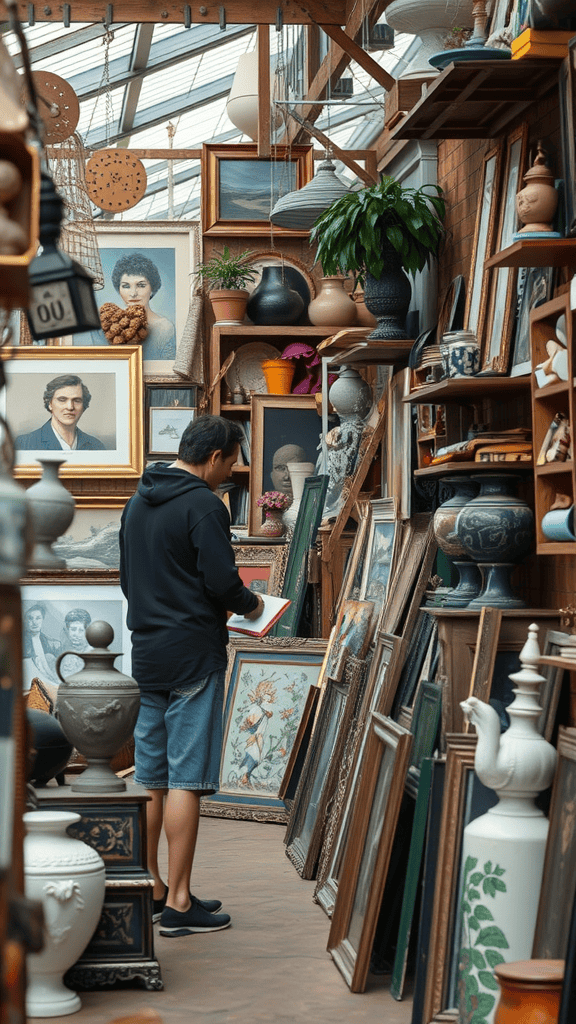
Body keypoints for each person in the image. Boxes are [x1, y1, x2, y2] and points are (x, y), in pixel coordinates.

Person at [119, 414, 264, 937]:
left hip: (147, 654)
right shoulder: (204, 504)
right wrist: (251, 606)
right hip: (193, 657)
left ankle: (154, 889)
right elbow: (223, 581)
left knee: (150, 776)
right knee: (186, 780)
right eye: (231, 460)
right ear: (213, 457)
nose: (232, 470)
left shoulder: (137, 501)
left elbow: (127, 580)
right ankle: (180, 904)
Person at [111, 252, 176, 361]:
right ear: (119, 290)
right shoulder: (111, 325)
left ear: (152, 289)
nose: (133, 293)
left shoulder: (165, 328)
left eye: (141, 285)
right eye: (126, 286)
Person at [14, 375, 106, 451]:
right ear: (50, 404)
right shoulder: (24, 444)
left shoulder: (96, 446)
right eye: (62, 400)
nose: (70, 407)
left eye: (77, 400)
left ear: (84, 406)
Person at [22, 604, 61, 691]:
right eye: (30, 618)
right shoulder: (21, 641)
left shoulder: (47, 641)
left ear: (42, 619)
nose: (34, 622)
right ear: (25, 620)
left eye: (38, 618)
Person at [58, 608, 91, 678]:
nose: (76, 634)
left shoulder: (91, 653)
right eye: (73, 629)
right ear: (68, 630)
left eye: (81, 630)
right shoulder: (64, 650)